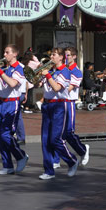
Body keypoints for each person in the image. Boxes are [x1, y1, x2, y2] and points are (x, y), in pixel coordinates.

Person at [38, 47, 78, 180]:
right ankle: (49, 171)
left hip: (59, 105)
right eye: (51, 55)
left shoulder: (65, 72)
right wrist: (39, 75)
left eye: (54, 55)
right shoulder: (51, 71)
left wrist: (47, 75)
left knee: (55, 139)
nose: (51, 58)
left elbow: (56, 88)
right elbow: (37, 84)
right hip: (47, 105)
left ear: (61, 57)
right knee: (45, 140)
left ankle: (71, 160)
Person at [0, 44, 29, 175]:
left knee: (6, 134)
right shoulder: (4, 68)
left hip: (12, 103)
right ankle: (7, 165)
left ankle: (21, 155)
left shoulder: (19, 68)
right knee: (0, 137)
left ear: (14, 54)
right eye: (4, 52)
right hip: (0, 103)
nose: (4, 55)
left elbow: (12, 84)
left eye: (7, 52)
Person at [63, 46, 90, 165]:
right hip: (59, 103)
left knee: (69, 132)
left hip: (69, 103)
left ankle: (83, 149)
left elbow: (68, 88)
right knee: (57, 133)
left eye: (68, 55)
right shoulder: (62, 68)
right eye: (65, 55)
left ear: (74, 57)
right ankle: (55, 160)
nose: (66, 57)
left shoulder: (76, 71)